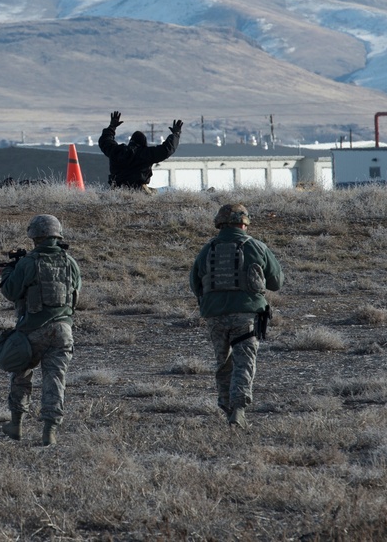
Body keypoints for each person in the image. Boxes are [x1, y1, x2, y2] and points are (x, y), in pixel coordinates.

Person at [189, 203, 283, 429]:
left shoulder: (207, 249)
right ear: (244, 223)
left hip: (215, 317)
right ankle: (239, 410)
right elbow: (276, 282)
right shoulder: (256, 247)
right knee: (243, 362)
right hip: (246, 316)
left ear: (220, 223)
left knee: (223, 364)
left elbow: (195, 284)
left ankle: (227, 409)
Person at [0, 214, 81, 446]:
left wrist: (6, 272)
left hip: (32, 330)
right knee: (55, 380)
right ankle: (49, 432)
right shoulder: (70, 262)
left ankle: (16, 424)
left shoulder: (27, 263)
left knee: (21, 373)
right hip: (63, 331)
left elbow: (11, 291)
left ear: (34, 236)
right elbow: (76, 292)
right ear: (57, 235)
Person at [98, 111, 181, 190]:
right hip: (138, 190)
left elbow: (105, 141)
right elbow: (166, 149)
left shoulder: (117, 151)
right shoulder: (146, 153)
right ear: (144, 143)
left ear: (130, 142)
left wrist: (112, 127)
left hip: (116, 189)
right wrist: (175, 135)